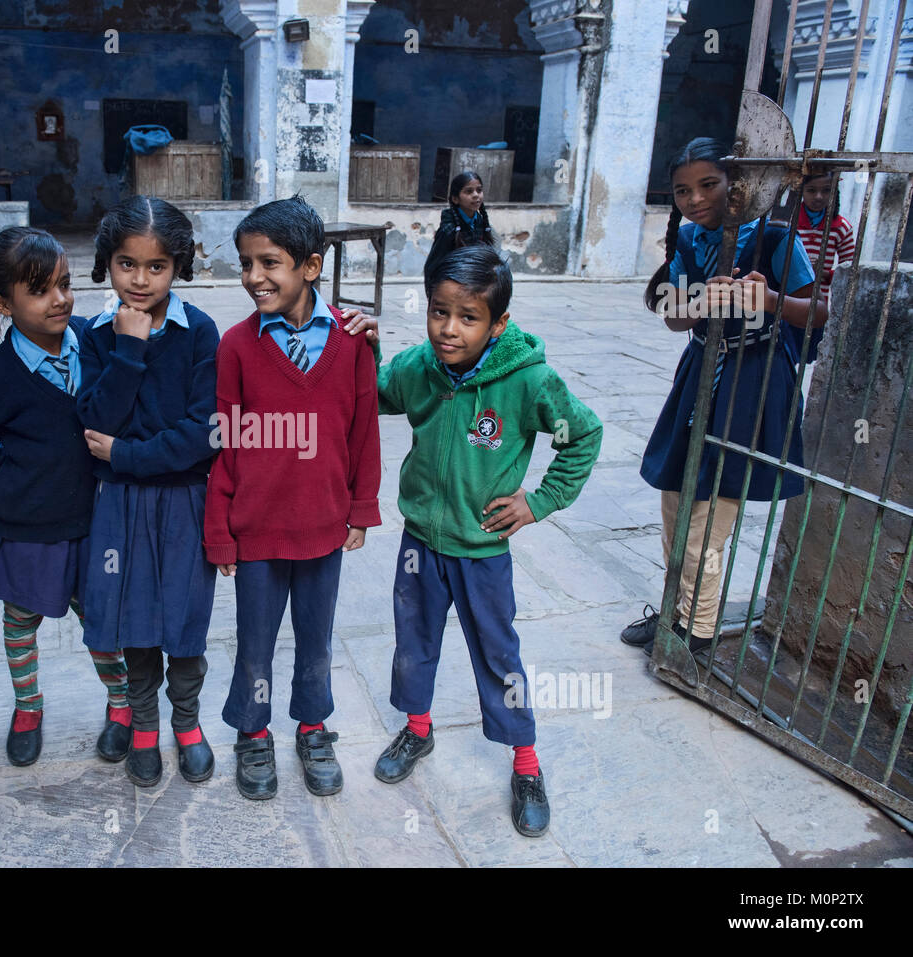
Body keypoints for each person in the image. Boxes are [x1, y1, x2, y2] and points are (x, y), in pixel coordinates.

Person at [372, 244, 602, 837]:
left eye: (468, 316)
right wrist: (362, 347)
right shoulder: (420, 366)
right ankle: (418, 729)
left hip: (482, 553)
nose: (449, 329)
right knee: (412, 642)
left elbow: (584, 434)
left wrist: (539, 500)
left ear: (498, 323)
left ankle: (525, 761)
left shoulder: (528, 380)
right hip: (421, 542)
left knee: (499, 656)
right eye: (438, 311)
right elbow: (376, 395)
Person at [204, 196, 382, 801]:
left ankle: (312, 727)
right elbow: (224, 446)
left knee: (316, 635)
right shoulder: (236, 347)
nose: (254, 277)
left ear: (310, 266)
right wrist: (221, 531)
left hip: (324, 526)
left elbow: (363, 431)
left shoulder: (354, 343)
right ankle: (253, 734)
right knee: (254, 642)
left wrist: (360, 508)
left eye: (269, 263)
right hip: (256, 530)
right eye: (246, 263)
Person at [622, 138, 823, 656]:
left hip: (754, 374)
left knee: (709, 517)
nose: (694, 199)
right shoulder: (690, 239)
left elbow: (819, 311)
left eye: (707, 184)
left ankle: (699, 629)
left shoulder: (776, 238)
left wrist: (770, 299)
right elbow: (673, 315)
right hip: (700, 369)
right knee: (675, 494)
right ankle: (673, 610)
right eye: (683, 190)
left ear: (737, 185)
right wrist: (699, 302)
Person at [0, 226, 132, 768]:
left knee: (101, 623)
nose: (60, 299)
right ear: (4, 303)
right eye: (40, 290)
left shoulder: (95, 341)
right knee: (19, 621)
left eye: (64, 283)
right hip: (29, 524)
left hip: (95, 521)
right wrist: (7, 470)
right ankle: (28, 706)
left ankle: (122, 707)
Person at [75, 196, 219, 788]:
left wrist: (128, 453)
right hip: (118, 505)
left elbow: (203, 433)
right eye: (126, 264)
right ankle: (143, 726)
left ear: (178, 266)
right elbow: (93, 421)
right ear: (107, 264)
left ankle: (187, 723)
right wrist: (128, 348)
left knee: (184, 619)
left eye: (156, 267)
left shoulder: (200, 332)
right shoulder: (95, 334)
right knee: (133, 619)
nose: (139, 279)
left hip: (184, 499)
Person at [424, 170, 496, 283]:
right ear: (455, 199)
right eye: (469, 191)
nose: (476, 195)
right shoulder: (448, 229)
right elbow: (433, 266)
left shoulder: (480, 223)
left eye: (479, 190)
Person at [796, 172, 856, 305]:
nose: (818, 197)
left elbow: (850, 272)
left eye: (826, 190)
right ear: (801, 190)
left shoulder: (842, 227)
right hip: (786, 300)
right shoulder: (789, 222)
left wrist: (823, 273)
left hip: (818, 304)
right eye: (811, 190)